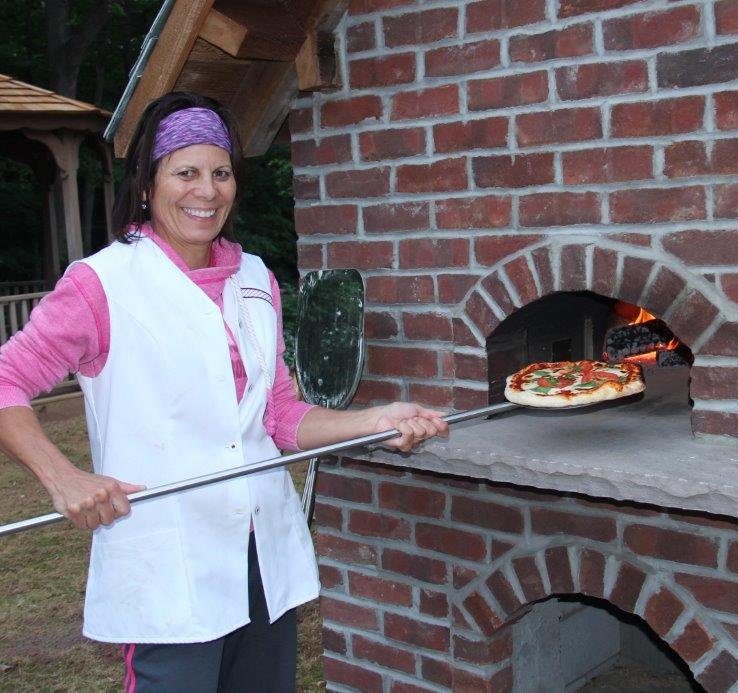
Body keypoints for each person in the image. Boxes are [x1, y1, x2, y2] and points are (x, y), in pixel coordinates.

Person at [0, 91, 447, 691]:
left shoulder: (257, 278)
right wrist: (63, 477)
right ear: (147, 184)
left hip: (262, 556)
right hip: (170, 564)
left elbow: (278, 413)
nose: (206, 191)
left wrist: (375, 420)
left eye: (221, 173)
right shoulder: (102, 284)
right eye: (185, 172)